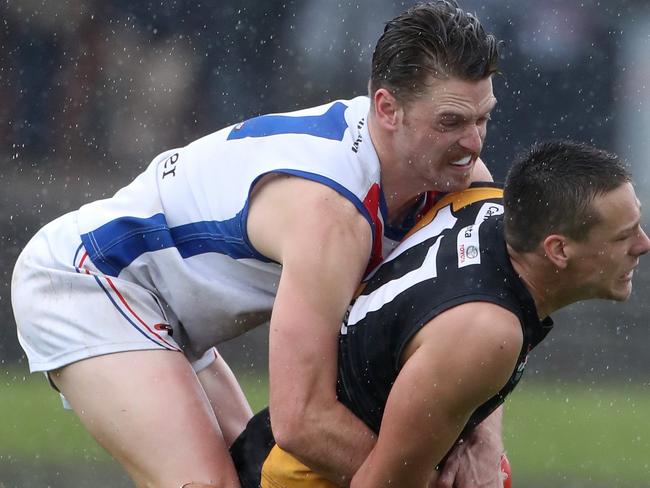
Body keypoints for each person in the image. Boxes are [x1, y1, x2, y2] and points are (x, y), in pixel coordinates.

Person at [11, 2, 504, 487]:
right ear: (387, 109)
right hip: (89, 277)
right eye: (451, 123)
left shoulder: (457, 177)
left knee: (257, 476)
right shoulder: (330, 215)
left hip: (165, 309)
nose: (473, 143)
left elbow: (486, 315)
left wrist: (482, 442)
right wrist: (424, 475)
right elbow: (301, 420)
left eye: (482, 119)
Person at [230, 140, 650, 488]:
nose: (643, 244)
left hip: (269, 449)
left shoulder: (487, 199)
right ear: (557, 250)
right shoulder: (487, 331)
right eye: (623, 235)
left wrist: (484, 441)